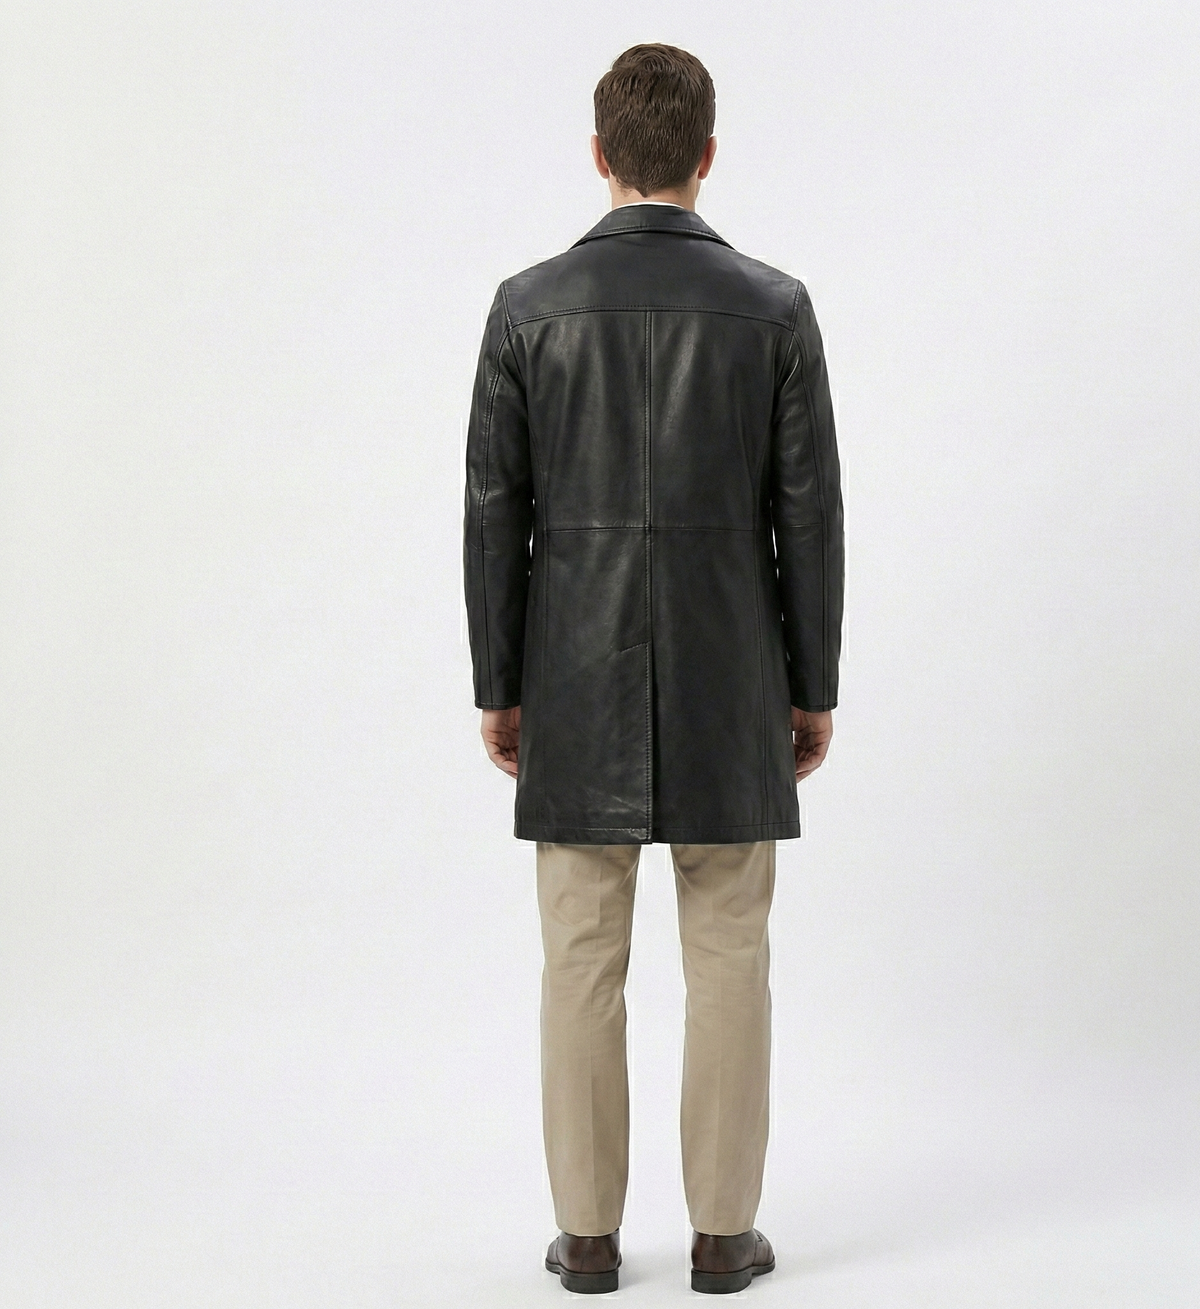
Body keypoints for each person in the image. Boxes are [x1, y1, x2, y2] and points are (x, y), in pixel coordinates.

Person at [462, 42, 844, 1296]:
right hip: (736, 669)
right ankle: (725, 1238)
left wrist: (500, 683)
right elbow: (810, 517)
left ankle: (586, 1239)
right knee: (729, 951)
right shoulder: (774, 308)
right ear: (707, 156)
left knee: (581, 956)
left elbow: (494, 514)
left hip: (572, 671)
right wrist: (813, 684)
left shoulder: (527, 307)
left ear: (599, 155)